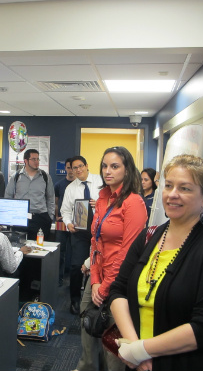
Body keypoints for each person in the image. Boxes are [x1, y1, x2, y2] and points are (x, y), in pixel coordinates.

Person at [108, 155, 203, 371]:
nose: (172, 195)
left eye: (185, 188)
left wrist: (141, 350)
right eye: (168, 185)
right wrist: (134, 347)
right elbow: (118, 290)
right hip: (140, 362)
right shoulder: (148, 237)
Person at [76, 147, 147, 371]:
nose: (108, 171)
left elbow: (128, 251)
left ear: (127, 170)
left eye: (114, 166)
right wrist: (95, 278)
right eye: (105, 166)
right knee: (87, 322)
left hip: (119, 281)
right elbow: (96, 242)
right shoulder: (102, 198)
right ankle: (87, 366)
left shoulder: (134, 202)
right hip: (98, 274)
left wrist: (105, 286)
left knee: (112, 337)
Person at [60, 155, 103, 315]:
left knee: (97, 265)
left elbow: (112, 203)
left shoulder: (101, 182)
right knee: (76, 266)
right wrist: (68, 223)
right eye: (74, 168)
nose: (77, 170)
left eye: (80, 166)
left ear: (86, 166)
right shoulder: (71, 188)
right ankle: (75, 300)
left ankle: (94, 298)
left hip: (100, 232)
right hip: (79, 233)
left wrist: (99, 204)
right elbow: (65, 210)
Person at [4, 149, 55, 240]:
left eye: (38, 159)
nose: (36, 162)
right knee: (19, 246)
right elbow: (8, 197)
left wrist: (50, 217)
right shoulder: (16, 177)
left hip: (40, 217)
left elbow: (51, 198)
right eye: (34, 159)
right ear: (26, 161)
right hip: (20, 217)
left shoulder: (45, 177)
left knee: (39, 248)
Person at [54, 157, 76, 286]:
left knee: (75, 251)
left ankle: (74, 280)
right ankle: (59, 279)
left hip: (75, 223)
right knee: (60, 251)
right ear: (65, 168)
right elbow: (56, 203)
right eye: (69, 167)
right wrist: (57, 216)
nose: (71, 170)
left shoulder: (80, 184)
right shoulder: (59, 185)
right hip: (61, 222)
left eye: (73, 168)